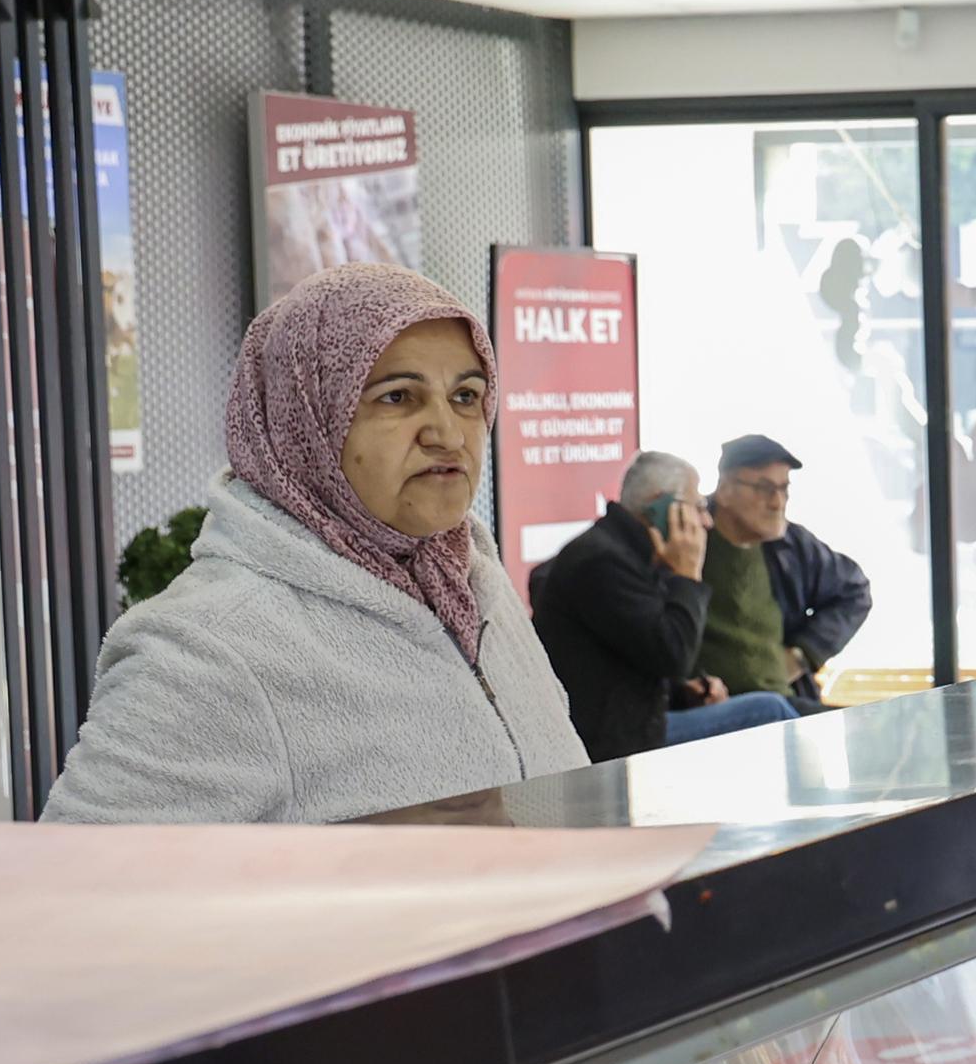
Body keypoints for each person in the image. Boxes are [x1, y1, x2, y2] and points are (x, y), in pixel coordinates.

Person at [46, 264, 585, 822]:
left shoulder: (472, 587)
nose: (448, 434)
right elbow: (74, 895)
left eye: (466, 396)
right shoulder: (207, 650)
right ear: (303, 421)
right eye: (397, 397)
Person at [529, 450, 798, 760]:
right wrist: (688, 575)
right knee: (768, 711)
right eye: (698, 507)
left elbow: (639, 658)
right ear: (661, 506)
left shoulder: (624, 552)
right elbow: (673, 654)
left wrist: (684, 692)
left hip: (634, 727)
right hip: (610, 746)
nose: (707, 521)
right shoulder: (602, 561)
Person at [696, 434, 870, 711]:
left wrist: (804, 654)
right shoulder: (690, 538)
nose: (777, 502)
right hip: (712, 709)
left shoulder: (791, 544)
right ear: (725, 489)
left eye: (783, 488)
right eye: (764, 489)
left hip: (785, 700)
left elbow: (854, 590)